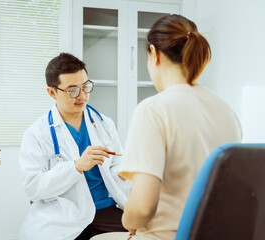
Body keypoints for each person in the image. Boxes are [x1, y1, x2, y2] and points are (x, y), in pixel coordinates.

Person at [91, 14, 242, 240]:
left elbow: (142, 208)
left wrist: (128, 222)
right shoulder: (226, 111)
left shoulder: (153, 110)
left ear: (154, 53)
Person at [18, 53, 130, 240]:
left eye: (85, 86)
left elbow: (116, 165)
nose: (82, 96)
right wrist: (76, 166)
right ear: (52, 92)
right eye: (72, 90)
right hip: (62, 214)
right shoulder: (37, 133)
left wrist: (125, 171)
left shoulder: (104, 123)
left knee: (145, 235)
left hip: (104, 208)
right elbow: (33, 187)